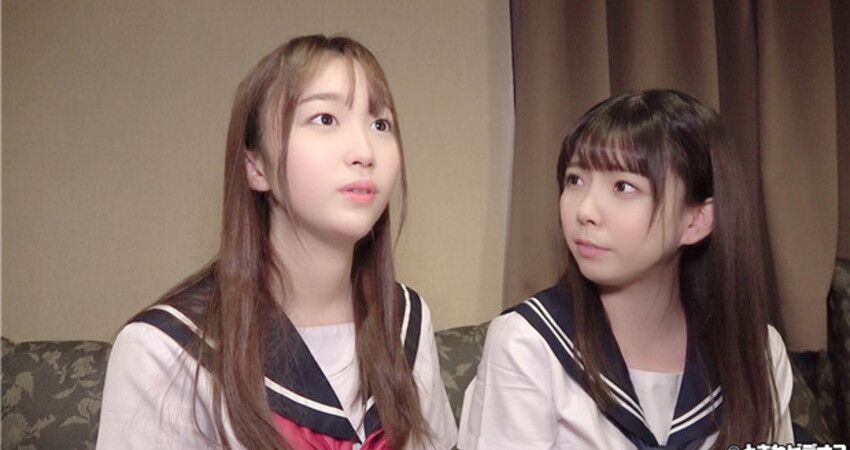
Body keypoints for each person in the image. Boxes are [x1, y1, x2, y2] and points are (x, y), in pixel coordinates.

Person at [97, 35, 457, 450]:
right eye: (325, 118)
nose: (364, 151)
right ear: (256, 167)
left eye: (381, 124)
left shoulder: (406, 321)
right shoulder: (165, 350)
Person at [458, 89, 793, 449]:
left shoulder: (756, 351)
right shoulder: (529, 344)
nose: (585, 210)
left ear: (696, 220)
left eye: (623, 186)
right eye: (575, 180)